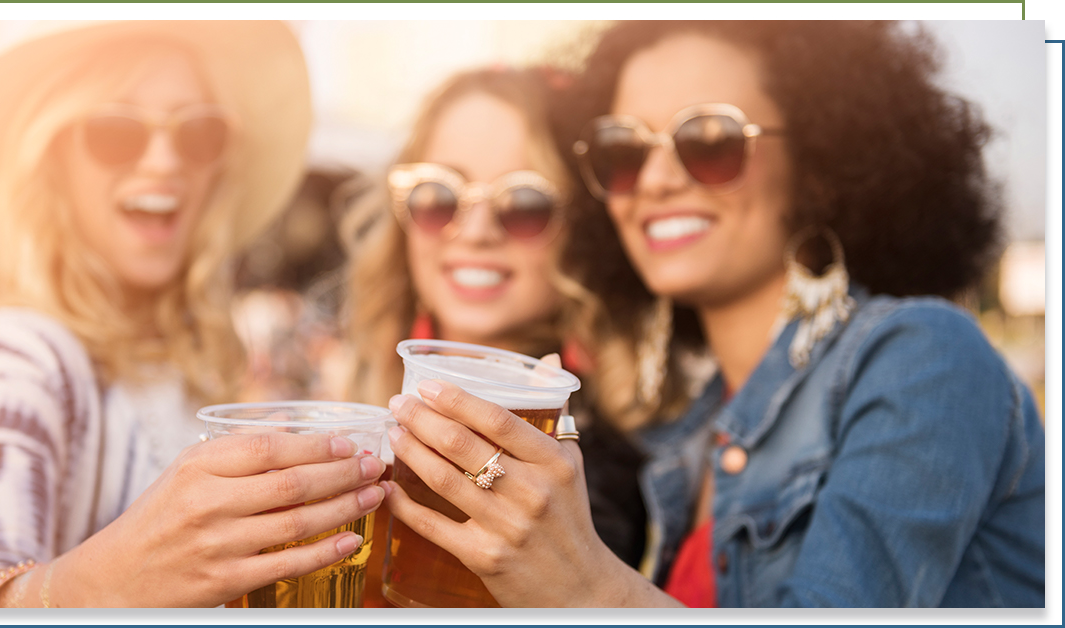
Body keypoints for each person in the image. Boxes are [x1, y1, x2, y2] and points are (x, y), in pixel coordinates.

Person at [381, 20, 1045, 607]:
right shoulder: (686, 437)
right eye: (625, 150)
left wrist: (581, 586)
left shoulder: (922, 356)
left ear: (819, 161)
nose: (658, 178)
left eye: (709, 139)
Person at [0, 21, 385, 608]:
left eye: (199, 134)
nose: (165, 162)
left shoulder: (181, 356)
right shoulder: (17, 353)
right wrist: (105, 581)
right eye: (116, 132)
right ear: (51, 160)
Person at [339, 67, 659, 572]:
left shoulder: (596, 469)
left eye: (524, 202)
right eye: (439, 194)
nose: (476, 232)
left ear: (582, 232)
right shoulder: (350, 402)